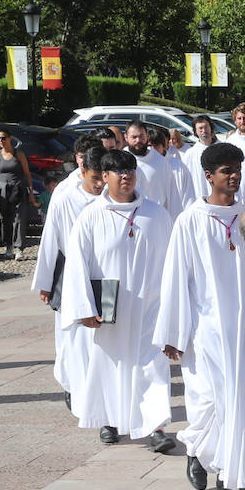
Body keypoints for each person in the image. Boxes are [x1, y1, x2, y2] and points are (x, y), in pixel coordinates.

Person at [153, 142, 245, 490]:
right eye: (226, 171)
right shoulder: (190, 220)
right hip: (205, 327)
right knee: (206, 398)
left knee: (243, 398)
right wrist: (174, 331)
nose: (234, 177)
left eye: (238, 169)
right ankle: (197, 452)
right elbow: (175, 277)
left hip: (244, 325)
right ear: (208, 176)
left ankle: (234, 474)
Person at [60, 149, 173, 448]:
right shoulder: (91, 216)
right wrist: (84, 306)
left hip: (151, 304)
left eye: (130, 171)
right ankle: (109, 420)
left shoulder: (157, 214)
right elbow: (76, 264)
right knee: (110, 362)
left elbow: (174, 262)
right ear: (105, 177)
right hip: (111, 306)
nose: (126, 177)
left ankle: (157, 426)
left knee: (153, 363)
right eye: (118, 172)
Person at [32, 143, 106, 408]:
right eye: (94, 177)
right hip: (72, 270)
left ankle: (98, 389)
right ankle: (72, 383)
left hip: (105, 271)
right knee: (72, 333)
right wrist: (45, 281)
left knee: (100, 333)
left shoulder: (111, 197)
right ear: (82, 169)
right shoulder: (65, 195)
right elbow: (51, 237)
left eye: (102, 178)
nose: (99, 184)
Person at [0, 128, 40, 260]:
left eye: (3, 138)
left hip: (18, 188)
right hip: (3, 190)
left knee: (19, 218)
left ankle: (19, 249)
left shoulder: (19, 154)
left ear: (10, 138)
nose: (1, 141)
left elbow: (27, 174)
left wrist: (31, 193)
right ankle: (8, 246)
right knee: (5, 219)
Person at [184, 115, 218, 201]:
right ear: (195, 131)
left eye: (206, 127)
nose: (204, 131)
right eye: (200, 128)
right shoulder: (190, 154)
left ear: (211, 127)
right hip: (200, 198)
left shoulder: (222, 148)